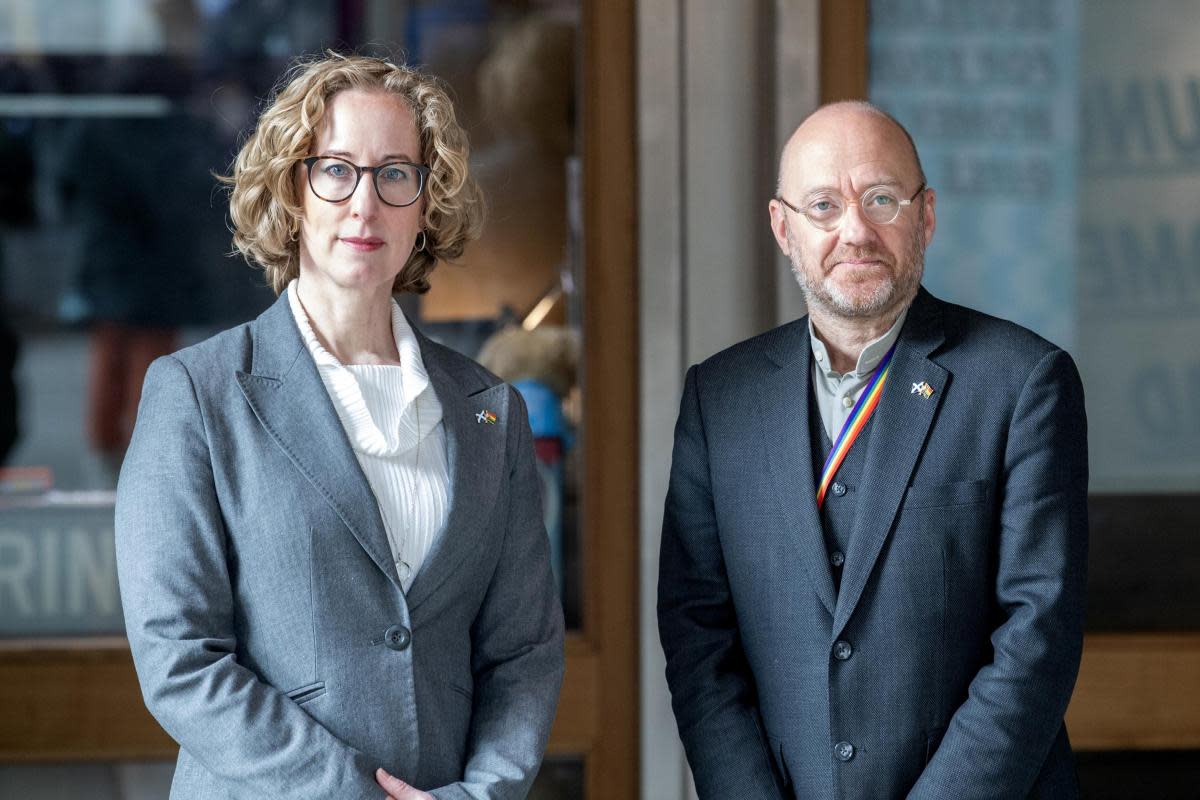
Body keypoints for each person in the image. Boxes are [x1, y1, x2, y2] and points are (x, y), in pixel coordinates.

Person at [115, 53, 564, 800]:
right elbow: (180, 659)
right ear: (294, 191)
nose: (366, 204)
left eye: (396, 174)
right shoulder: (196, 395)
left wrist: (480, 793)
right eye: (336, 170)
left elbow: (523, 652)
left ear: (427, 202)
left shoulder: (491, 411)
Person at [657, 101, 1088, 799]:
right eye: (823, 205)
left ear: (926, 216)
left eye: (881, 198)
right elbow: (697, 634)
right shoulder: (720, 398)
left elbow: (1036, 638)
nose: (855, 231)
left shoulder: (1023, 383)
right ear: (782, 227)